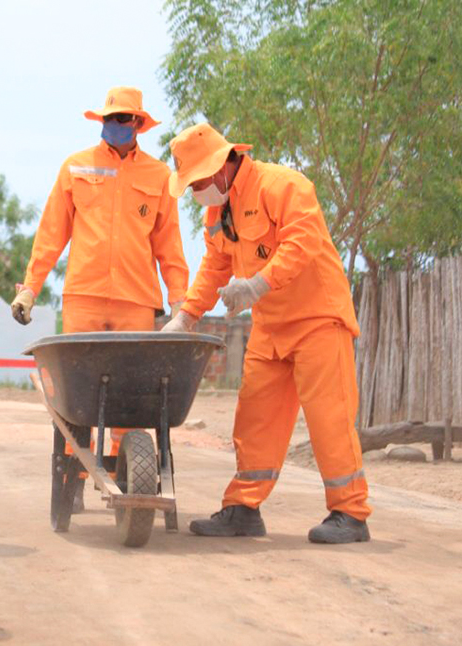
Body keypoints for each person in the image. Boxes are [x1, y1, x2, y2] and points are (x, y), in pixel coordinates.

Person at [161, 122, 371, 544]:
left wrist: (257, 285)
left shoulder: (284, 187)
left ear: (222, 165)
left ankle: (350, 513)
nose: (199, 189)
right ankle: (243, 509)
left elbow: (302, 242)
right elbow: (215, 268)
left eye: (200, 180)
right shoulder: (217, 214)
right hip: (270, 326)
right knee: (254, 418)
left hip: (317, 320)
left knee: (329, 419)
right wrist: (186, 316)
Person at [11, 86, 188, 510]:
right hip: (84, 299)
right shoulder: (76, 168)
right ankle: (72, 485)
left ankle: (132, 477)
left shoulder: (159, 176)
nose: (114, 125)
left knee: (133, 399)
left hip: (135, 302)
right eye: (109, 118)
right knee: (78, 400)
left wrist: (182, 303)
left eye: (123, 119)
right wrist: (30, 289)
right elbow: (51, 234)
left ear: (138, 125)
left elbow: (170, 246)